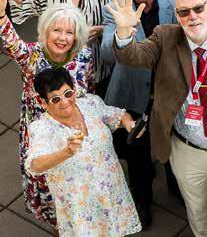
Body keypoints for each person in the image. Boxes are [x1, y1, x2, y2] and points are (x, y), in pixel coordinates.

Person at [109, 0, 207, 237]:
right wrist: (123, 31)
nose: (193, 16)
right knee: (197, 210)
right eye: (184, 12)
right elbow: (133, 57)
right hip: (187, 148)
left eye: (198, 8)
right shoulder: (165, 37)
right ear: (177, 16)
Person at [0, 0, 94, 228]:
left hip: (73, 127)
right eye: (57, 30)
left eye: (69, 32)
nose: (62, 38)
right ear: (46, 31)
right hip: (42, 130)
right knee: (49, 179)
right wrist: (0, 16)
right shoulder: (32, 56)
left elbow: (88, 90)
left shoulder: (84, 56)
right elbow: (13, 45)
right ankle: (60, 226)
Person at [101, 0, 176, 228]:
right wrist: (123, 31)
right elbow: (107, 53)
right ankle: (142, 200)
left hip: (167, 95)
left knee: (173, 148)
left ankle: (176, 186)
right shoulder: (116, 8)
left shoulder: (172, 4)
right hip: (133, 98)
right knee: (137, 157)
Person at [25, 66, 141, 236]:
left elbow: (118, 115)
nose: (65, 102)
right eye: (55, 99)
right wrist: (66, 152)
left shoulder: (90, 104)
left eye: (68, 94)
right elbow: (35, 165)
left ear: (73, 89)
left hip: (112, 192)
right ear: (43, 103)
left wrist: (129, 124)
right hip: (83, 208)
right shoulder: (42, 128)